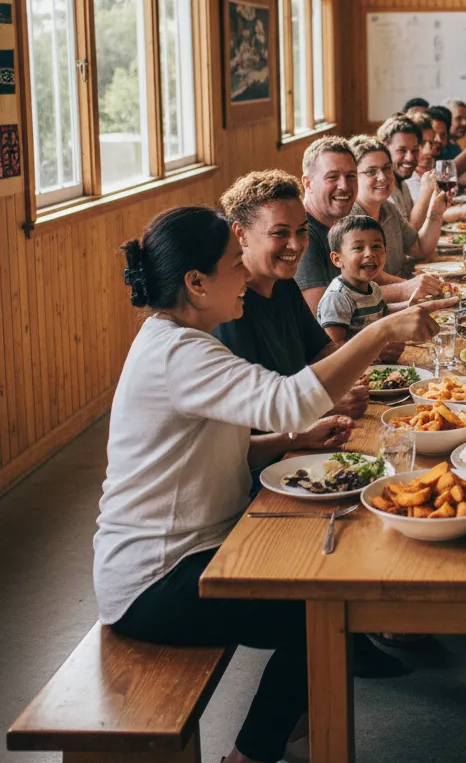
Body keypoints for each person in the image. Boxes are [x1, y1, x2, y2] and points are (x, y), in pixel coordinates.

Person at [97, 207, 439, 763]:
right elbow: (292, 398)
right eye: (236, 265)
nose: (246, 277)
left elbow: (216, 446)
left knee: (320, 590)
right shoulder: (181, 353)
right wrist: (381, 331)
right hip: (153, 578)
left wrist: (286, 443)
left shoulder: (177, 338)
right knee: (320, 615)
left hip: (187, 551)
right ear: (196, 282)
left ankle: (298, 729)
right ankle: (252, 754)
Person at [214, 169, 369, 447]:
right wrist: (327, 401)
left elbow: (322, 350)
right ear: (241, 234)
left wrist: (353, 374)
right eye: (279, 233)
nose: (296, 245)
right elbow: (249, 423)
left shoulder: (283, 283)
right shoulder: (228, 309)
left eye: (301, 231)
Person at [294, 136, 441, 313]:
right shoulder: (302, 234)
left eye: (350, 176)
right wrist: (404, 292)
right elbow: (324, 313)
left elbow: (362, 301)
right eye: (332, 177)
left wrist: (417, 305)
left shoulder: (338, 224)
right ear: (308, 184)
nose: (344, 186)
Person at [317, 216, 444, 344]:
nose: (369, 253)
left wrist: (411, 306)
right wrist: (377, 350)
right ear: (337, 259)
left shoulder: (373, 288)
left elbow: (382, 313)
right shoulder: (338, 298)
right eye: (358, 248)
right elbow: (335, 346)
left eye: (376, 246)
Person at [349, 135, 446, 277]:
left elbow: (419, 247)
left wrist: (436, 213)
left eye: (387, 168)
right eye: (371, 172)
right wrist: (408, 286)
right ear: (353, 177)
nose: (382, 177)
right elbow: (365, 285)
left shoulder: (388, 209)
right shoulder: (350, 220)